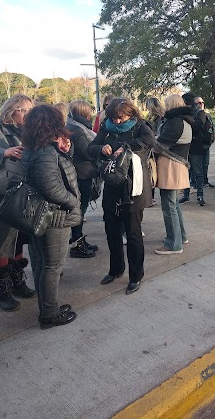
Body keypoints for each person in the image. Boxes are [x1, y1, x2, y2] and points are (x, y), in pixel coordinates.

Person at [22, 104, 81, 328]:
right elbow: (50, 187)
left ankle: (47, 307)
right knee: (52, 266)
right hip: (54, 216)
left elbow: (60, 167)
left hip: (39, 215)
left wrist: (65, 147)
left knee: (40, 262)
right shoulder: (45, 151)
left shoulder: (36, 147)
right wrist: (72, 200)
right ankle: (49, 314)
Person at [87, 98, 154, 294]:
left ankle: (136, 275)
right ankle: (116, 269)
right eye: (113, 118)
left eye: (120, 118)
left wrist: (126, 146)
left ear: (130, 113)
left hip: (133, 185)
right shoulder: (106, 128)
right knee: (111, 229)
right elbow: (90, 148)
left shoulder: (140, 126)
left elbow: (150, 141)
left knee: (133, 233)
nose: (116, 122)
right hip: (112, 184)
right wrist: (101, 149)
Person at [0, 94, 36, 311]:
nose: (26, 114)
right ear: (11, 110)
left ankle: (18, 282)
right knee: (1, 244)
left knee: (18, 240)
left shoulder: (32, 133)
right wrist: (3, 153)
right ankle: (2, 292)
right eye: (22, 110)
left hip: (24, 196)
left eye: (29, 110)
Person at [154, 94, 193, 254]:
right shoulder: (185, 120)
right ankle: (180, 236)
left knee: (169, 205)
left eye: (166, 104)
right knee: (173, 204)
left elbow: (159, 145)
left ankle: (174, 243)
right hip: (178, 165)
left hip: (171, 166)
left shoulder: (175, 122)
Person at [66, 100, 99, 258]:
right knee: (79, 208)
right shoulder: (77, 130)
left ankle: (78, 239)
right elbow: (87, 152)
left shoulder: (76, 126)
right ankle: (77, 242)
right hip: (81, 173)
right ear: (84, 112)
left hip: (81, 172)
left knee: (80, 208)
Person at [179, 96, 207, 206]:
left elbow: (196, 126)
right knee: (187, 172)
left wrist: (188, 122)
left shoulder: (200, 113)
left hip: (196, 146)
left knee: (197, 171)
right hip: (187, 146)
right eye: (199, 102)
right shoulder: (189, 113)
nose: (200, 104)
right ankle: (186, 195)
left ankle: (200, 194)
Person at [145, 97, 165, 205]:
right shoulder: (156, 118)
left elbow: (157, 133)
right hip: (153, 148)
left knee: (152, 172)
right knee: (152, 173)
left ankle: (151, 197)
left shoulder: (158, 118)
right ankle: (150, 197)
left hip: (154, 148)